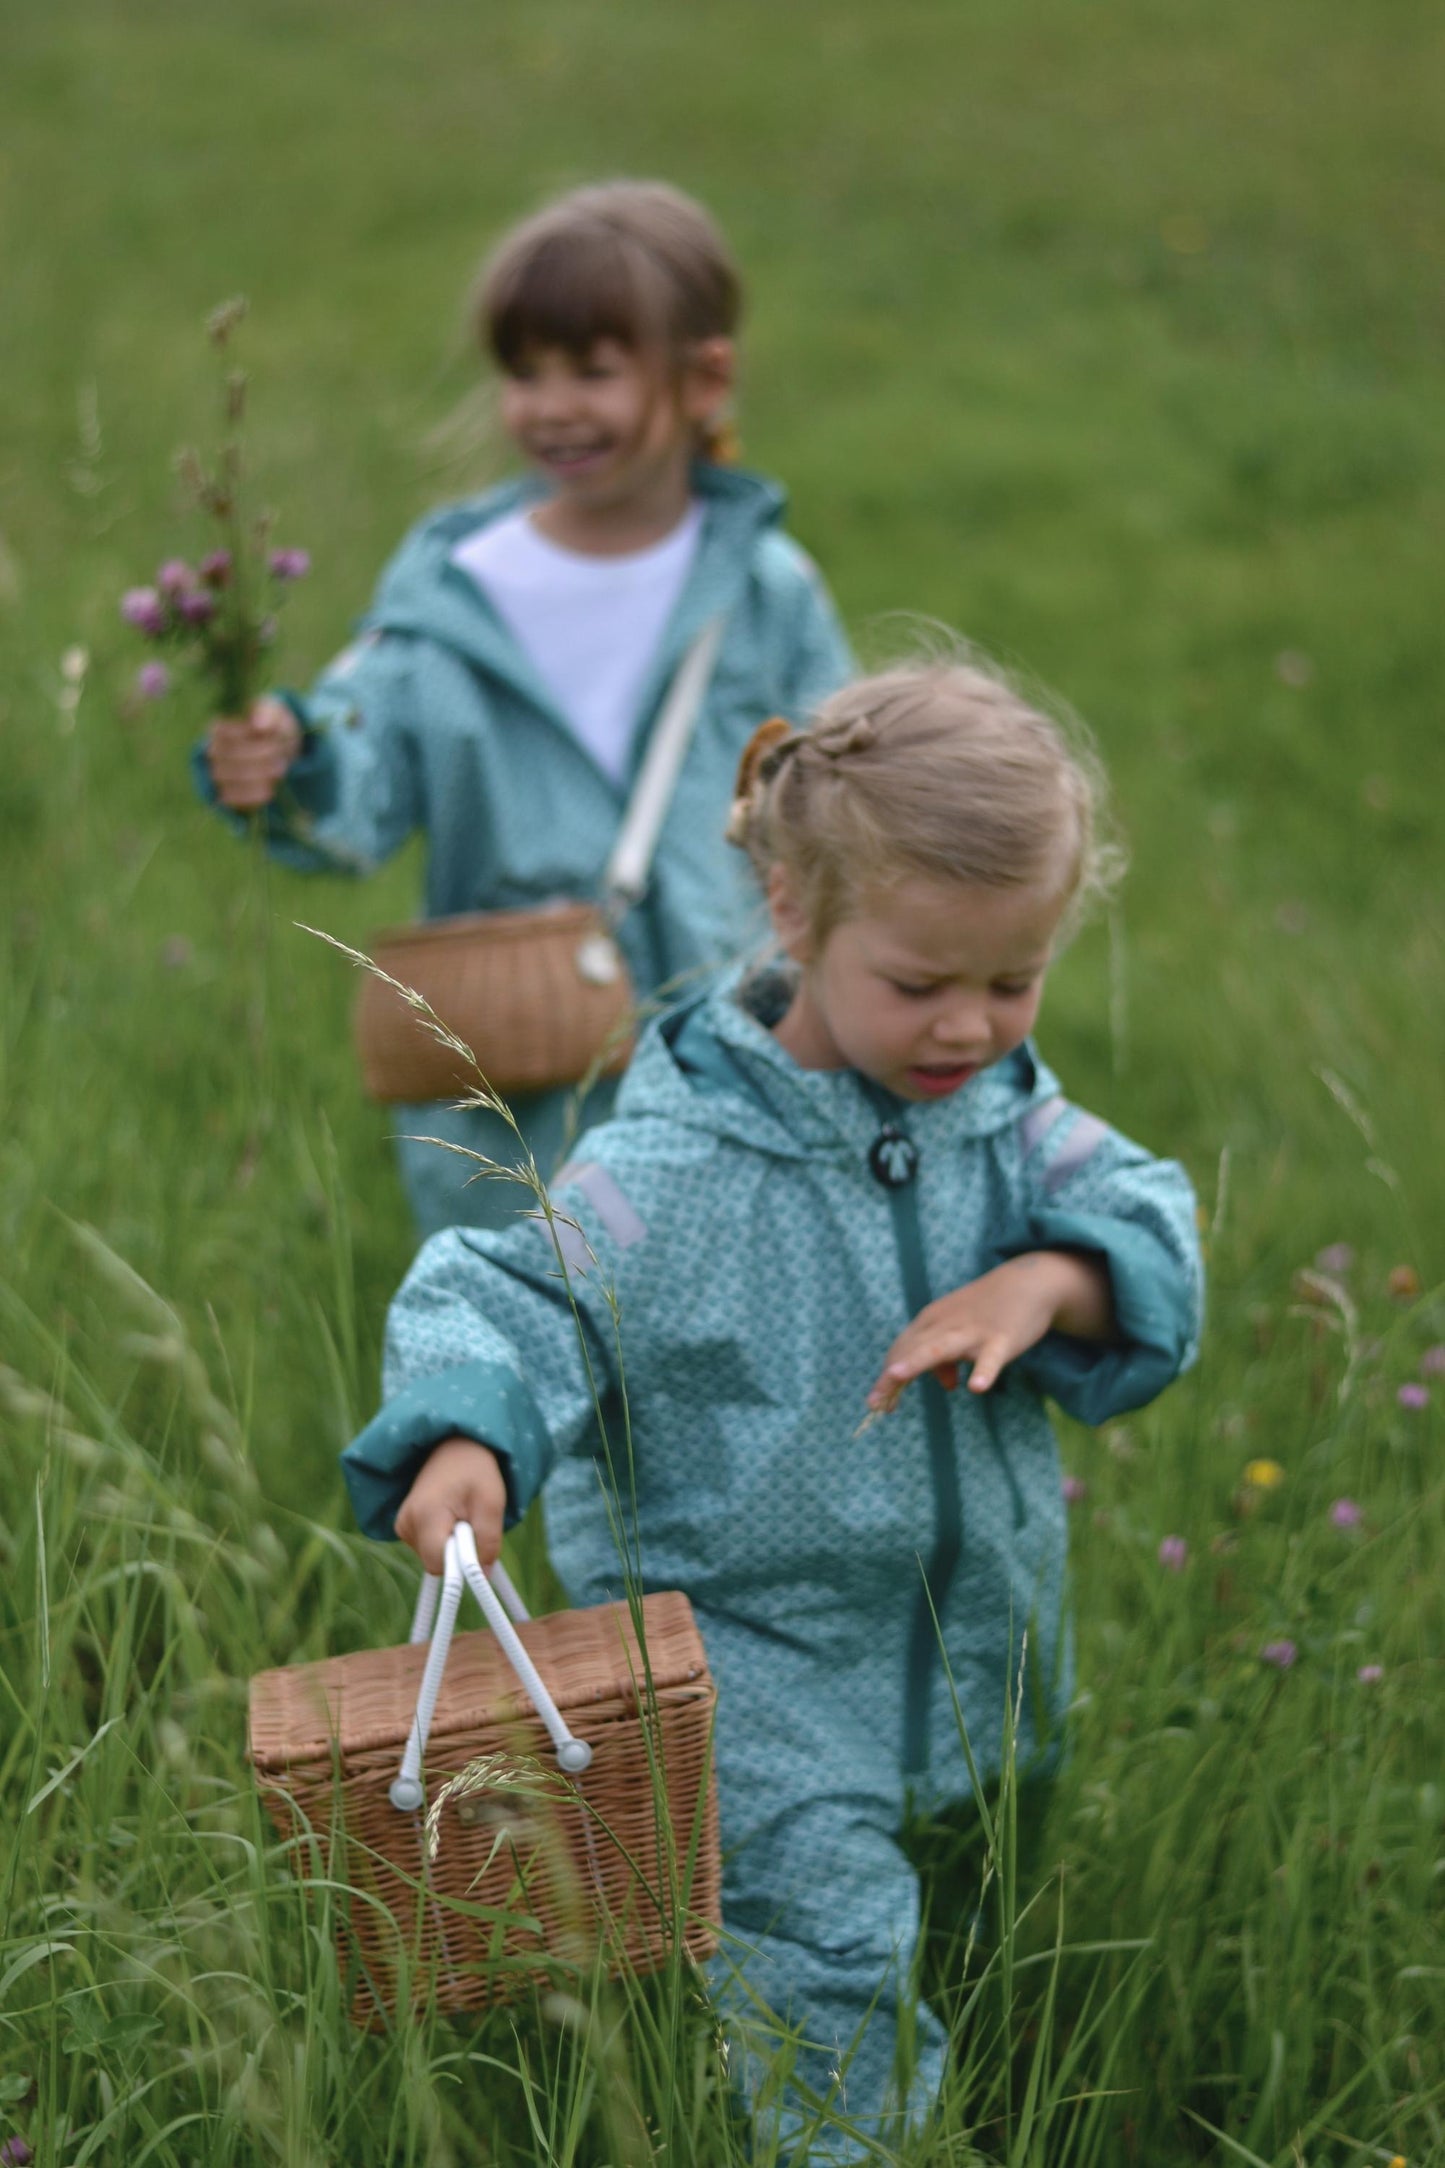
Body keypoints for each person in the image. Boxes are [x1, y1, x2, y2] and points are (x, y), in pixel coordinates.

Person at [340, 658, 1204, 2155]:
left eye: (1015, 981)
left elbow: (1142, 1205)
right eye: (921, 984)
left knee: (984, 1903)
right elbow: (515, 1289)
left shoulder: (1004, 1118)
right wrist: (471, 1429)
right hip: (759, 1671)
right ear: (795, 915)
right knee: (831, 1979)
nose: (970, 1028)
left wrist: (1049, 1284)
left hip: (982, 1642)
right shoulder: (679, 1169)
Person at [196, 180, 851, 1238]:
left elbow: (845, 807)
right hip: (513, 1097)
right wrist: (294, 759)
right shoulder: (453, 590)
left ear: (704, 378)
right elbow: (356, 784)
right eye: (523, 372)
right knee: (524, 1358)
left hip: (734, 1068)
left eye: (592, 371)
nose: (551, 406)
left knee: (721, 1361)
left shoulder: (765, 590)